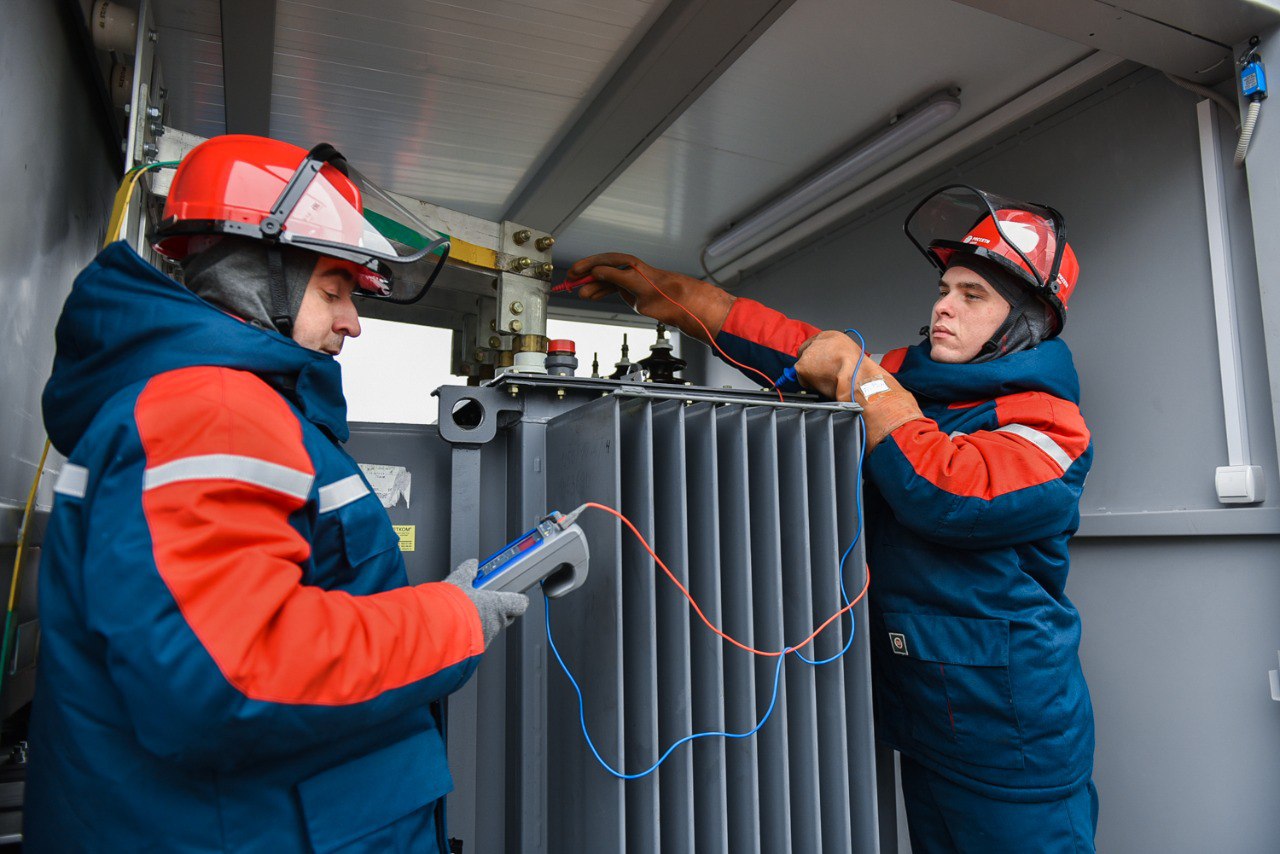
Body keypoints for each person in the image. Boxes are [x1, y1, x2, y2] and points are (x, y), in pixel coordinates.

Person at [27, 135, 529, 851]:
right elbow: (226, 675)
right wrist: (449, 622)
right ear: (251, 272)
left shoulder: (200, 403)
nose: (352, 322)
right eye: (335, 290)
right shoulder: (214, 410)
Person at [567, 185, 1097, 853]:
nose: (943, 305)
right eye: (944, 287)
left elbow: (949, 492)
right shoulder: (911, 383)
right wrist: (670, 292)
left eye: (973, 296)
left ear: (1027, 322)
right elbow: (800, 348)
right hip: (928, 717)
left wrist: (864, 381)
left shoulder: (1049, 425)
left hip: (1012, 738)